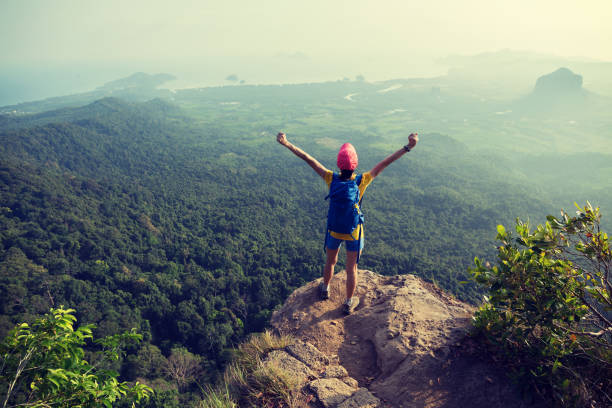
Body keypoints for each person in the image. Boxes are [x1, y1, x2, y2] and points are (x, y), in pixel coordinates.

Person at [276, 132, 419, 314]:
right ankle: (349, 301)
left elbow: (308, 158)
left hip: (335, 229)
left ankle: (325, 288)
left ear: (338, 164)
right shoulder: (362, 181)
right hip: (354, 232)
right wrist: (408, 147)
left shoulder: (330, 178)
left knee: (330, 261)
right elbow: (385, 163)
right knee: (351, 268)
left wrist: (286, 143)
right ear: (355, 164)